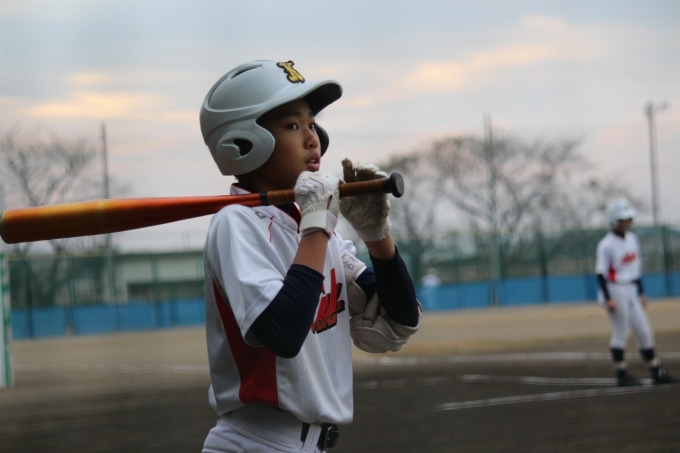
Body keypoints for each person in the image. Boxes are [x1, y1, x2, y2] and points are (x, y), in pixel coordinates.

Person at [198, 60, 422, 452]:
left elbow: (399, 322)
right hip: (256, 441)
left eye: (313, 124)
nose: (312, 138)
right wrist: (318, 224)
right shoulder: (236, 223)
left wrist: (376, 236)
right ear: (243, 142)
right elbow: (283, 333)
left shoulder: (316, 230)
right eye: (292, 125)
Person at [595, 198, 678, 387]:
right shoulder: (606, 244)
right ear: (615, 220)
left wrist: (641, 292)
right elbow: (600, 273)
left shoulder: (632, 239)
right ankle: (621, 374)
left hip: (632, 289)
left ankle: (657, 372)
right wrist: (608, 298)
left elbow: (636, 269)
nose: (629, 221)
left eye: (629, 218)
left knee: (644, 331)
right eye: (625, 219)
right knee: (621, 331)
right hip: (615, 289)